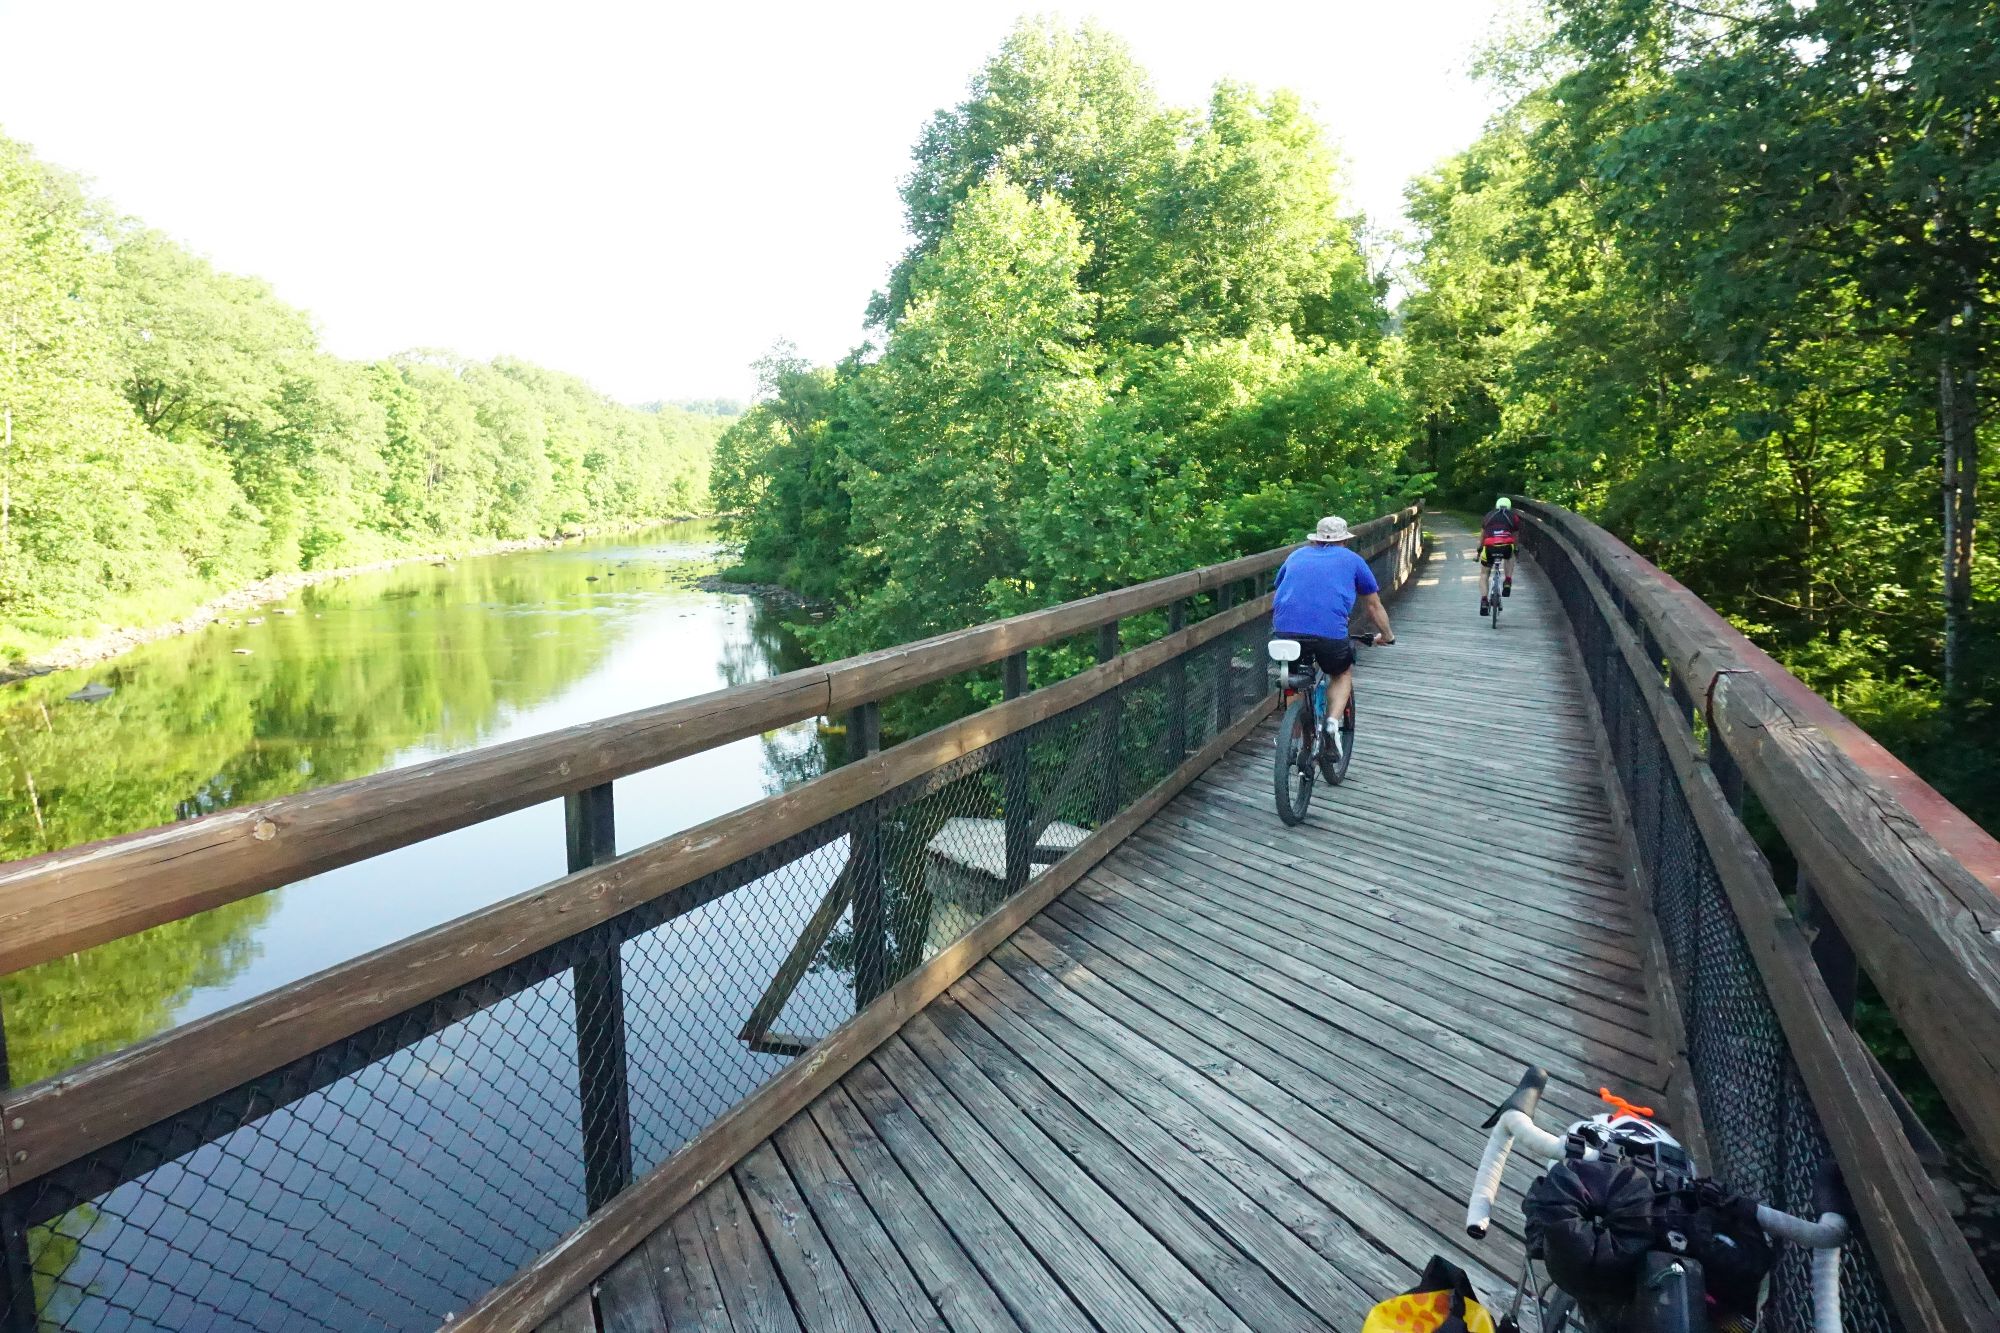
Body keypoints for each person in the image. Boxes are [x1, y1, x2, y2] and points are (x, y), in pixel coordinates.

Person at [1272, 515, 1395, 755]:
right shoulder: (1353, 560)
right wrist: (1387, 635)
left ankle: (1294, 741)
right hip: (1329, 635)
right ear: (1345, 540)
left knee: (1295, 679)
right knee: (1341, 672)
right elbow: (1373, 606)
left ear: (1316, 540)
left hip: (1285, 631)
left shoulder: (1296, 556)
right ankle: (1331, 725)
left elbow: (1283, 589)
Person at [1479, 496, 1520, 615]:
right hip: (1506, 545)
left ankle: (1484, 601)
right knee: (1510, 556)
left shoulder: (1488, 516)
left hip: (1490, 546)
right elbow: (1515, 536)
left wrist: (1479, 549)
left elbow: (1482, 536)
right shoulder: (1513, 517)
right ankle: (1507, 581)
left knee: (1484, 574)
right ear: (1509, 506)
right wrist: (1516, 548)